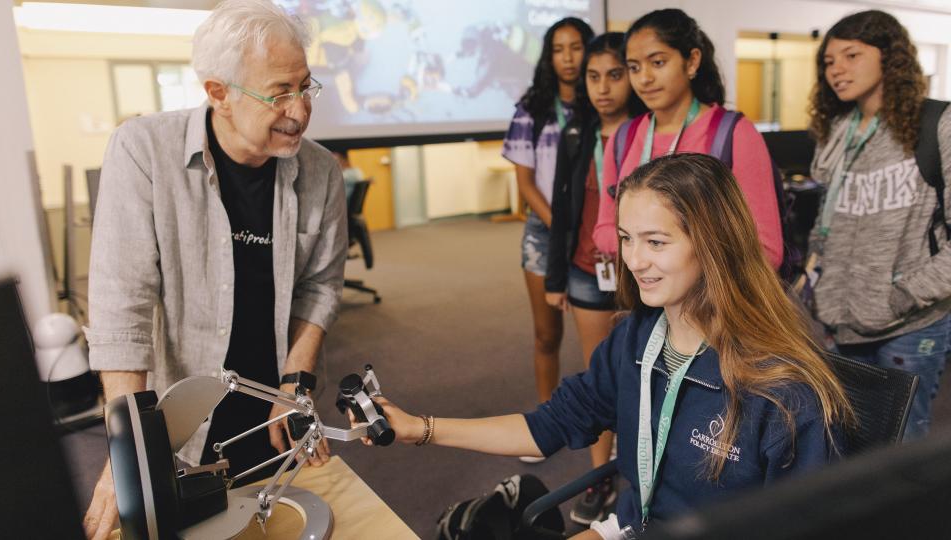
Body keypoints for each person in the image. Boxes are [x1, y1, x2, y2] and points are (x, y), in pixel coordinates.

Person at [362, 154, 852, 539]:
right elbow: (546, 427)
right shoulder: (635, 339)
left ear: (713, 244)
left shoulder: (783, 389)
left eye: (656, 242)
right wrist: (420, 429)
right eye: (625, 238)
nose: (634, 260)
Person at [81, 1, 347, 538]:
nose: (299, 110)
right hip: (179, 420)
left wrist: (295, 383)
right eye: (278, 94)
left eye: (306, 86)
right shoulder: (143, 152)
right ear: (218, 93)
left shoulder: (320, 172)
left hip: (269, 410)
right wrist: (129, 450)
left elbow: (320, 286)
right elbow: (122, 305)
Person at [807, 10, 951, 441]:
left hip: (909, 322)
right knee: (849, 440)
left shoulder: (937, 124)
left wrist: (903, 294)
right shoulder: (837, 131)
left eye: (851, 55)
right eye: (829, 62)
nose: (837, 70)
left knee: (904, 442)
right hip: (840, 321)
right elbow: (826, 224)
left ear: (890, 57)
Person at [544, 31, 645, 525]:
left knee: (645, 373)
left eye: (615, 75)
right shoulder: (577, 133)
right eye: (593, 76)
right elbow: (563, 208)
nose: (603, 87)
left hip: (641, 276)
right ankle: (600, 475)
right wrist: (555, 275)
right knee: (598, 379)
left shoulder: (648, 134)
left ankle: (646, 480)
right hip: (586, 270)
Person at [592, 9, 783, 270]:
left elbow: (767, 250)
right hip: (644, 297)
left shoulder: (733, 134)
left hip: (712, 303)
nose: (644, 78)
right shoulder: (623, 137)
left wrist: (675, 255)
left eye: (657, 63)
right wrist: (654, 249)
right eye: (634, 67)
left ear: (692, 61)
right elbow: (603, 229)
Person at [501, 17, 594, 451]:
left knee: (603, 341)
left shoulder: (601, 104)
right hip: (546, 231)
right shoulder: (532, 109)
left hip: (597, 233)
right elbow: (524, 185)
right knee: (546, 335)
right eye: (559, 49)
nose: (569, 58)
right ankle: (545, 424)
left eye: (576, 47)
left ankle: (607, 425)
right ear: (549, 56)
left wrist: (582, 229)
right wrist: (563, 229)